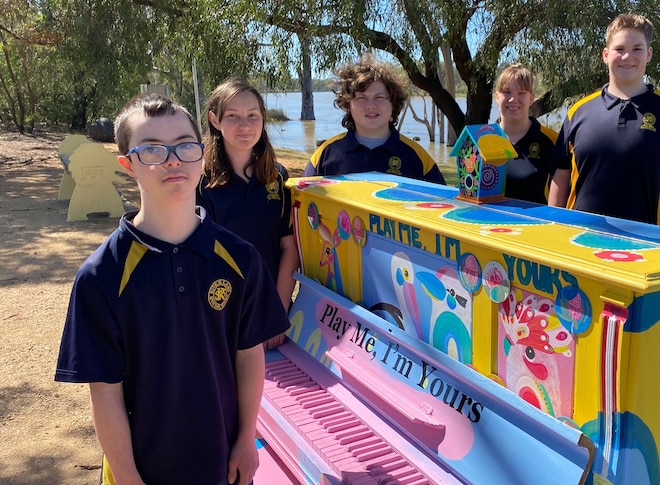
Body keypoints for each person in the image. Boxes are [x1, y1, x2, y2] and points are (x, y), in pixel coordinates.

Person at [54, 93, 290, 485]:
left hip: (222, 460)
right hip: (143, 469)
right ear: (127, 165)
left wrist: (247, 439)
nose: (172, 159)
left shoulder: (240, 259)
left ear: (201, 153)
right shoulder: (101, 276)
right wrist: (127, 475)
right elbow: (105, 391)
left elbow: (248, 358)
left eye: (184, 145)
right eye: (152, 150)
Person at [548, 13, 660, 230]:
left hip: (646, 247)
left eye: (637, 49)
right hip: (578, 242)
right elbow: (561, 177)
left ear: (649, 54)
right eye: (619, 49)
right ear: (605, 54)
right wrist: (553, 229)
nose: (627, 57)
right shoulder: (578, 111)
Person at [198, 77, 299, 349]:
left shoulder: (278, 178)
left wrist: (276, 313)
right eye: (232, 116)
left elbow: (289, 247)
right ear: (215, 120)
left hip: (272, 310)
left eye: (252, 115)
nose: (244, 125)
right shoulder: (199, 182)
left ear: (263, 119)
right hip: (220, 319)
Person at [303, 57, 447, 184]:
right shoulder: (326, 154)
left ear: (393, 103)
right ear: (348, 105)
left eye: (379, 97)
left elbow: (443, 206)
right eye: (361, 98)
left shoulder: (417, 157)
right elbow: (301, 202)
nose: (371, 106)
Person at [494, 63, 558, 204]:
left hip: (536, 225)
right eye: (506, 92)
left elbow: (564, 195)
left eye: (521, 93)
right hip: (486, 224)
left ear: (531, 98)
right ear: (497, 97)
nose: (513, 99)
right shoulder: (480, 140)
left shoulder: (552, 141)